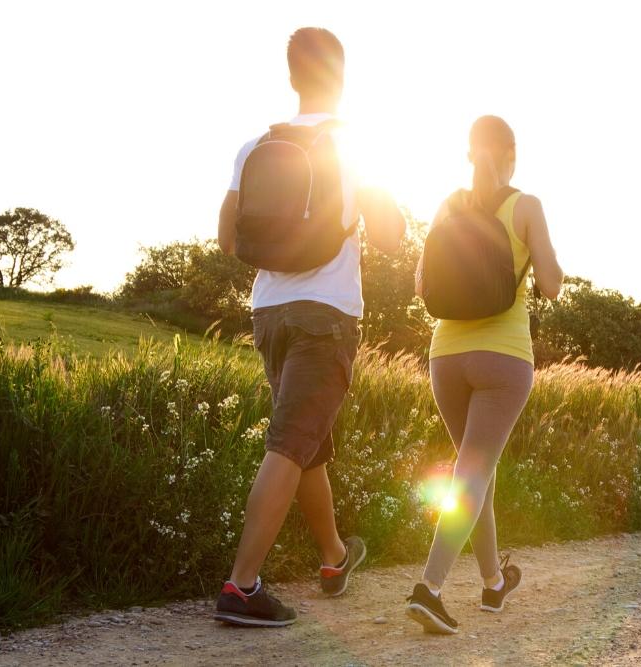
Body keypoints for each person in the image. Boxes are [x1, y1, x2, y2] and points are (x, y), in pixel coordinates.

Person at [213, 27, 406, 627]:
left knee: (307, 446)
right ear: (341, 81)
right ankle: (242, 588)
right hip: (327, 314)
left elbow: (228, 239)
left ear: (293, 79)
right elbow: (393, 238)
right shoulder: (354, 149)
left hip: (268, 310)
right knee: (291, 444)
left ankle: (334, 557)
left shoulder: (254, 146)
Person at [407, 116, 564, 634]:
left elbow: (421, 282)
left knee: (478, 474)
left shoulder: (448, 205)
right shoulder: (527, 206)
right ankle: (428, 589)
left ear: (470, 154)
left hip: (445, 356)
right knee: (472, 474)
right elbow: (552, 285)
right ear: (512, 156)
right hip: (503, 358)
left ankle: (494, 582)